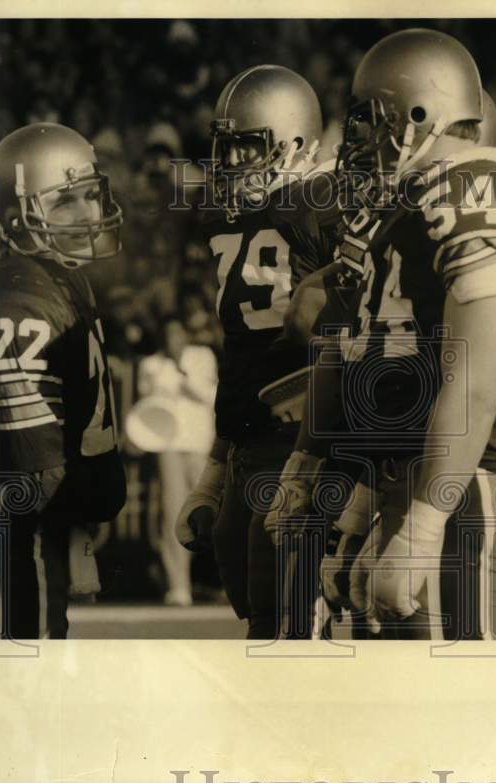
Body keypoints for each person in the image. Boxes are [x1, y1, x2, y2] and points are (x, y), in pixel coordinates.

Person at [273, 28, 496, 641]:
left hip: (467, 489)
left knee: (461, 715)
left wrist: (424, 523)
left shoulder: (472, 182)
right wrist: (362, 514)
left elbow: (475, 381)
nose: (354, 137)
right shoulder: (403, 209)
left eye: (367, 119)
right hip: (416, 481)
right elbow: (389, 372)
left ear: (417, 113)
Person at [173, 65, 341, 639]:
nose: (231, 165)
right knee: (253, 599)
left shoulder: (325, 203)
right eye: (225, 150)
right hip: (250, 433)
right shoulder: (230, 219)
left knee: (287, 613)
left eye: (245, 149)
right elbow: (242, 351)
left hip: (299, 434)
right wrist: (215, 470)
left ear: (294, 142)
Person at [0, 122, 126, 639]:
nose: (89, 215)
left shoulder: (54, 275)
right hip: (18, 517)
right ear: (18, 215)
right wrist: (74, 518)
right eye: (67, 203)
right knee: (24, 661)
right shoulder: (16, 296)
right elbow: (34, 461)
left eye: (92, 196)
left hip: (27, 509)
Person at [137, 315, 217, 606]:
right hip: (168, 446)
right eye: (168, 335)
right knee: (173, 516)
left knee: (210, 515)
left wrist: (182, 375)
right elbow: (146, 407)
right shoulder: (150, 365)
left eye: (177, 334)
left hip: (199, 446)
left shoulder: (202, 357)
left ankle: (220, 581)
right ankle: (178, 586)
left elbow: (211, 397)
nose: (173, 340)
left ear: (185, 335)